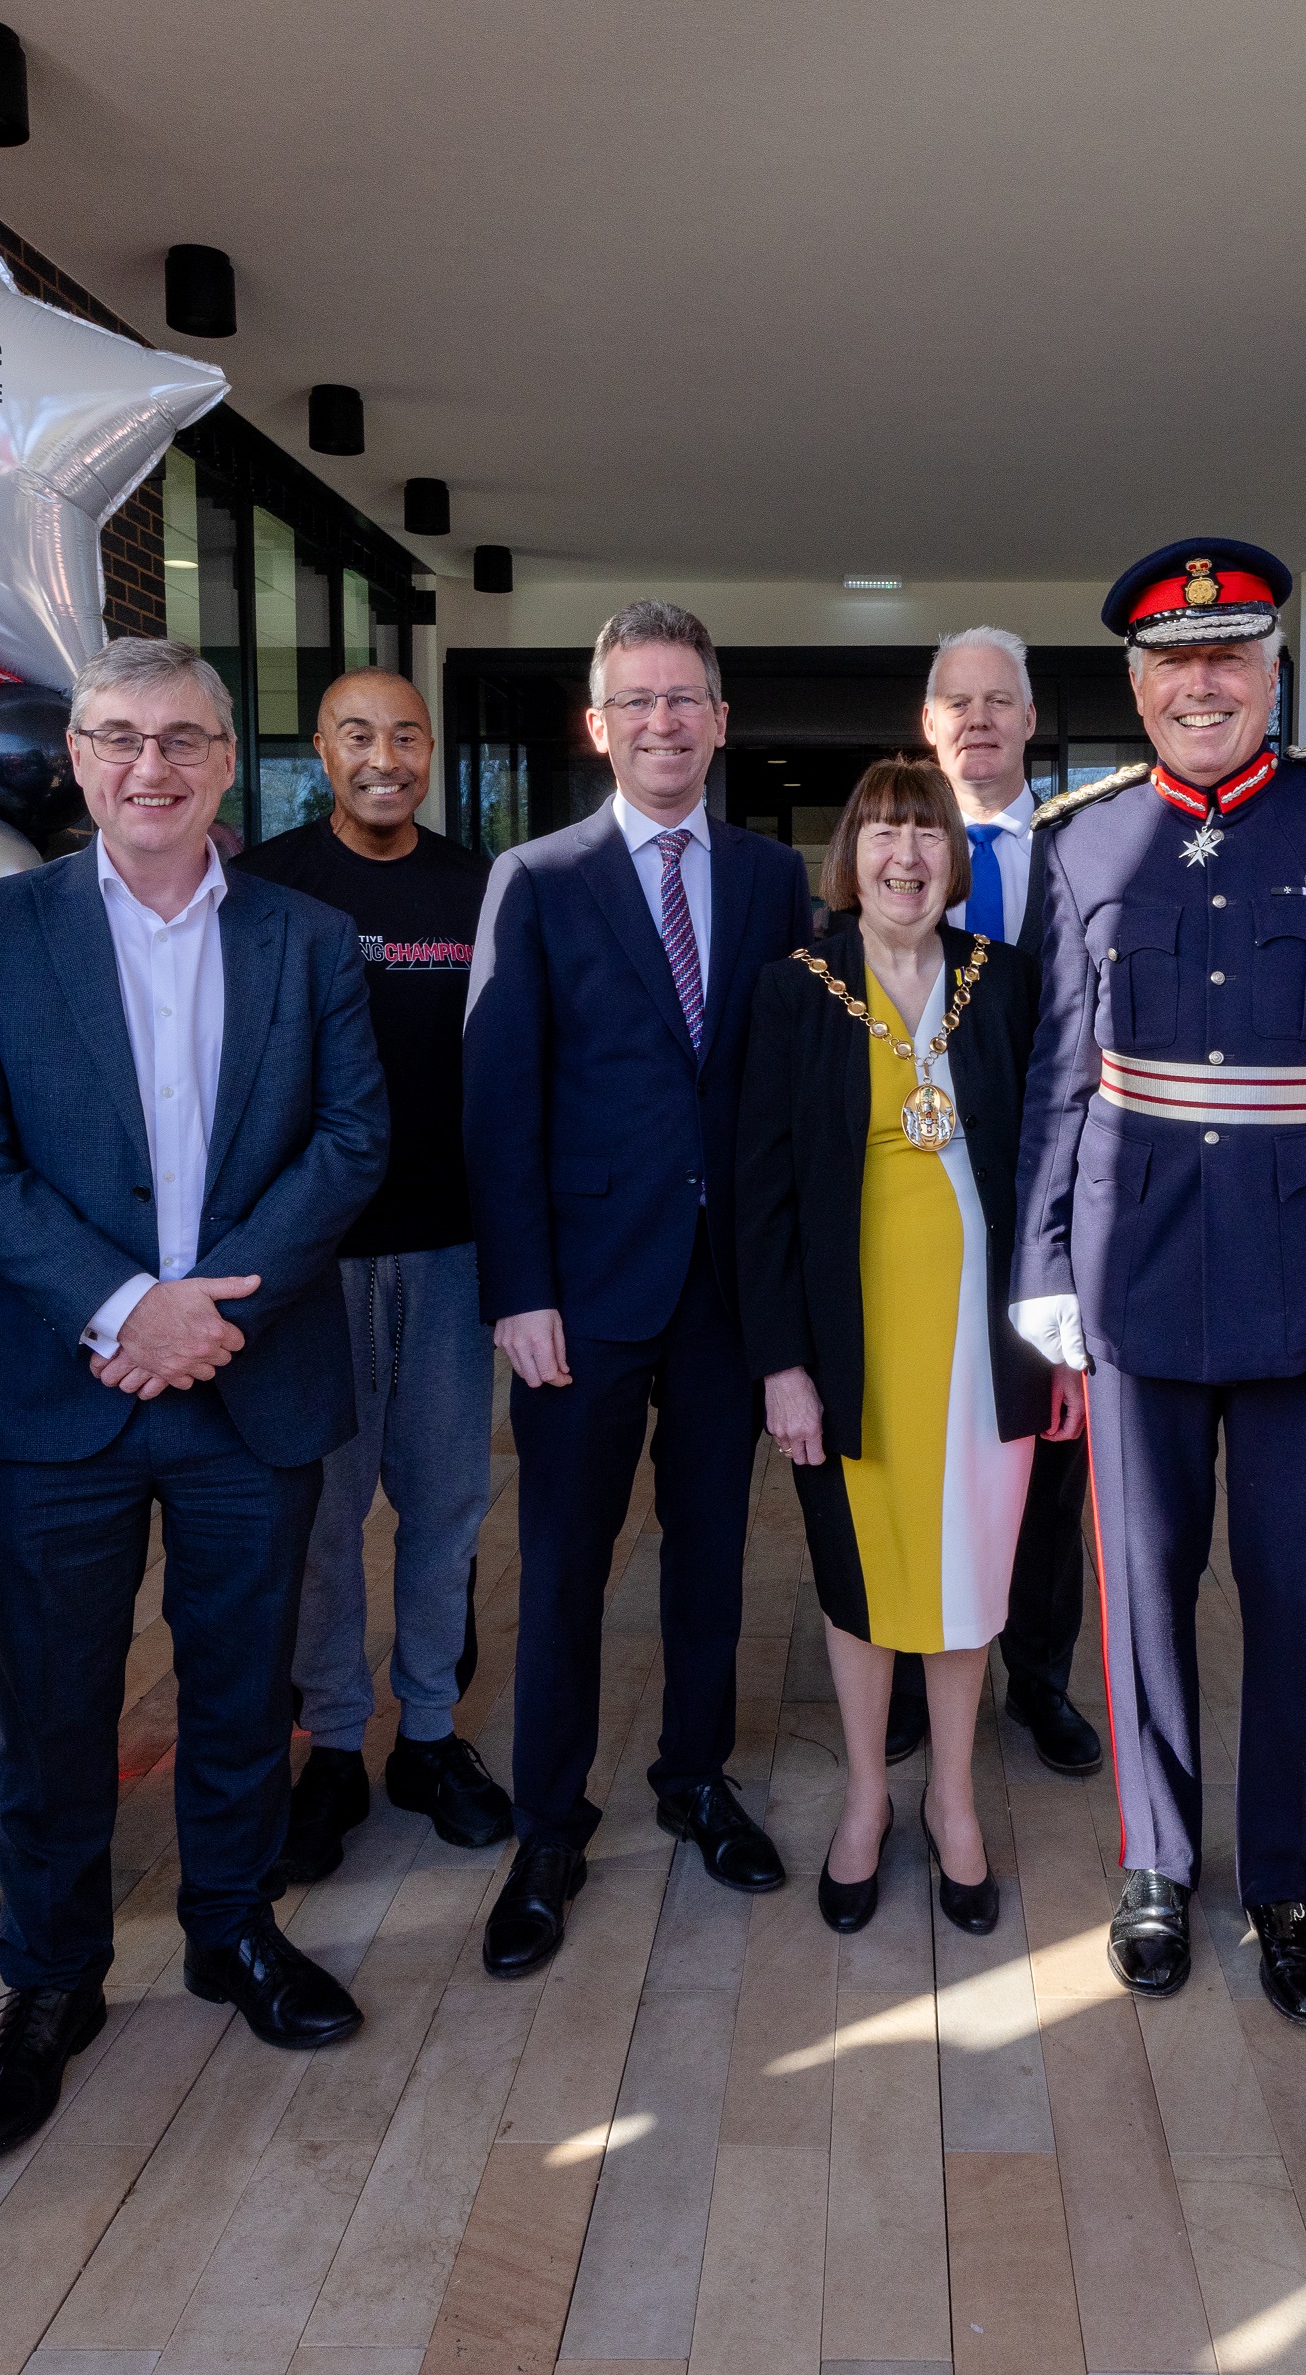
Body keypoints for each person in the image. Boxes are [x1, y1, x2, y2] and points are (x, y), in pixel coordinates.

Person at [0, 636, 390, 2161]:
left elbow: (352, 1143)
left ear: (228, 765)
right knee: (51, 1712)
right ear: (76, 760)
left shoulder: (311, 938)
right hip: (64, 1386)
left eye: (183, 740)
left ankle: (229, 1930)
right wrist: (127, 1308)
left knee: (242, 1687)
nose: (150, 768)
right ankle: (49, 1988)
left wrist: (208, 1311)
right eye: (118, 739)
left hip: (249, 1378)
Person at [1013, 539, 1306, 2025]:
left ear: (1271, 672)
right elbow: (1059, 1075)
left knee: (1291, 1596)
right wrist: (1044, 1263)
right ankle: (1154, 1869)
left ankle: (1279, 1878)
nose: (1197, 683)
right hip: (1138, 1271)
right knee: (1141, 1594)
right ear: (1135, 689)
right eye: (1167, 663)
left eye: (1226, 657)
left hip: (1305, 1273)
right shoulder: (1080, 842)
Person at [463, 600, 817, 1977]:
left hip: (724, 1291)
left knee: (712, 1559)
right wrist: (518, 1288)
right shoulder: (536, 881)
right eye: (638, 702)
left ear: (719, 724)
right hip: (580, 1296)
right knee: (559, 1566)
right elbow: (498, 1104)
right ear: (597, 726)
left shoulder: (774, 880)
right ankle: (549, 1823)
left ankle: (691, 1777)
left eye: (687, 699)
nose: (664, 722)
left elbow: (784, 1100)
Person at [736, 758, 1077, 1933]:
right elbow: (759, 1192)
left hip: (987, 1343)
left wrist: (1061, 1341)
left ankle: (953, 1801)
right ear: (849, 855)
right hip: (849, 1347)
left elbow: (1052, 1166)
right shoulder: (793, 990)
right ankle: (867, 1799)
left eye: (924, 833)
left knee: (970, 1573)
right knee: (858, 1573)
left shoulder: (1006, 981)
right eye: (880, 832)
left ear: (952, 855)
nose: (904, 855)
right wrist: (782, 1362)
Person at [234, 670, 512, 1878]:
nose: (385, 755)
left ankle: (431, 1734)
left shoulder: (478, 886)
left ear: (431, 750)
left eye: (406, 734)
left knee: (447, 1501)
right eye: (360, 734)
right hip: (311, 1261)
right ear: (321, 750)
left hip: (453, 1248)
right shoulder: (269, 887)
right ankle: (335, 1743)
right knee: (327, 1517)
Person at [883, 627, 1104, 1780]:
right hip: (912, 1213)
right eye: (954, 702)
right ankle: (919, 1666)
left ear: (1028, 721)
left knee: (1046, 1447)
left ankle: (1040, 1676)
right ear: (928, 725)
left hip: (1048, 1197)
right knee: (925, 1443)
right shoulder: (889, 850)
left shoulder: (1083, 847)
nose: (975, 719)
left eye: (997, 701)